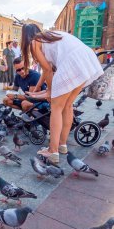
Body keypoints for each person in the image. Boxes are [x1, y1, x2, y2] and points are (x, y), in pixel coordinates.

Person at [21, 24, 104, 163]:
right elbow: (48, 69)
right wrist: (39, 89)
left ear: (25, 37)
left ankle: (52, 151)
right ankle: (62, 145)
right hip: (86, 58)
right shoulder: (51, 36)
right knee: (68, 106)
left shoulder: (35, 41)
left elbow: (47, 70)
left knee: (56, 108)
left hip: (72, 62)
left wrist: (50, 92)